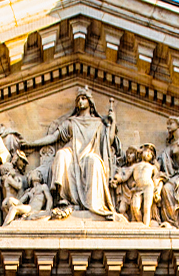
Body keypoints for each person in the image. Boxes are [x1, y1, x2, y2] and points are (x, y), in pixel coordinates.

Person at [19, 89, 117, 218]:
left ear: (90, 102)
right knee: (62, 155)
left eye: (83, 98)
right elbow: (54, 137)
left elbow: (108, 140)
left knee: (93, 161)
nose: (80, 102)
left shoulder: (98, 124)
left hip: (90, 154)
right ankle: (64, 198)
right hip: (72, 153)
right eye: (78, 99)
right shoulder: (71, 122)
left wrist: (113, 122)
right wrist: (32, 144)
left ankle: (93, 204)